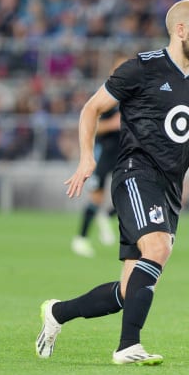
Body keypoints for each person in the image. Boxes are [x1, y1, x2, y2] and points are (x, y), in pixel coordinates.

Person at [36, 0, 189, 365]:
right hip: (134, 175)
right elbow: (92, 108)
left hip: (171, 189)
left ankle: (57, 313)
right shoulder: (142, 68)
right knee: (158, 248)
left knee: (128, 291)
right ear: (182, 30)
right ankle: (128, 347)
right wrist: (87, 157)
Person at [70, 58, 126, 258]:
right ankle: (81, 239)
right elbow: (91, 124)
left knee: (129, 194)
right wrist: (111, 124)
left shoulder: (134, 96)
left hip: (125, 153)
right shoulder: (105, 97)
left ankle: (108, 217)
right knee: (96, 196)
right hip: (104, 152)